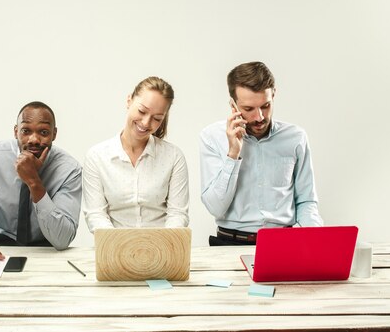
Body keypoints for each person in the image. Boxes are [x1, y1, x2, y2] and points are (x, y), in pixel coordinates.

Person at [200, 61, 324, 246]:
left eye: (265, 106)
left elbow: (306, 201)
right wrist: (233, 154)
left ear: (273, 95)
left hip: (283, 244)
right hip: (229, 243)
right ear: (233, 104)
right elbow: (216, 208)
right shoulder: (211, 137)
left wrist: (317, 241)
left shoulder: (296, 138)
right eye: (248, 109)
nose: (259, 117)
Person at [0, 101, 82, 268]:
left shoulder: (69, 170)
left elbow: (62, 240)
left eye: (44, 132)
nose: (34, 139)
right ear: (16, 132)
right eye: (26, 131)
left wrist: (33, 181)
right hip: (3, 243)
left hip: (47, 247)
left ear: (54, 134)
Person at [83, 76, 189, 232]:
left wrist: (161, 245)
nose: (146, 123)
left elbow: (178, 214)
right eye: (142, 111)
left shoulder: (173, 157)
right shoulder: (97, 156)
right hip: (114, 248)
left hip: (161, 248)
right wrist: (121, 246)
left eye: (157, 118)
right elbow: (96, 215)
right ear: (129, 101)